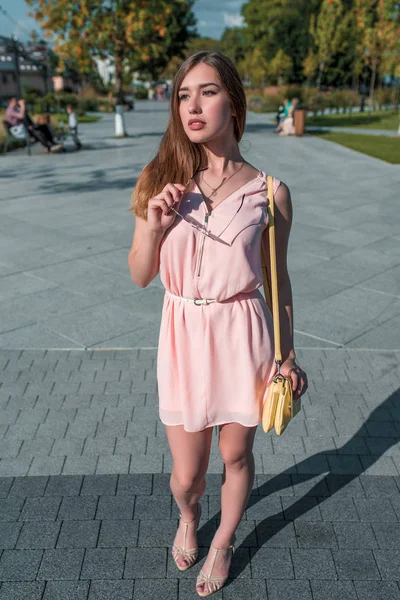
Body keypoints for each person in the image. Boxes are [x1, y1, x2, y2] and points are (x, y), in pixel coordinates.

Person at [128, 51, 308, 597]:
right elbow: (140, 274)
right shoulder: (161, 180)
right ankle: (189, 516)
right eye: (184, 95)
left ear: (234, 101)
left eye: (206, 92)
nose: (192, 106)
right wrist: (157, 228)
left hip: (241, 333)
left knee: (235, 454)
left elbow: (278, 281)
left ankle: (225, 539)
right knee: (186, 476)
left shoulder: (270, 193)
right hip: (182, 335)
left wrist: (288, 355)